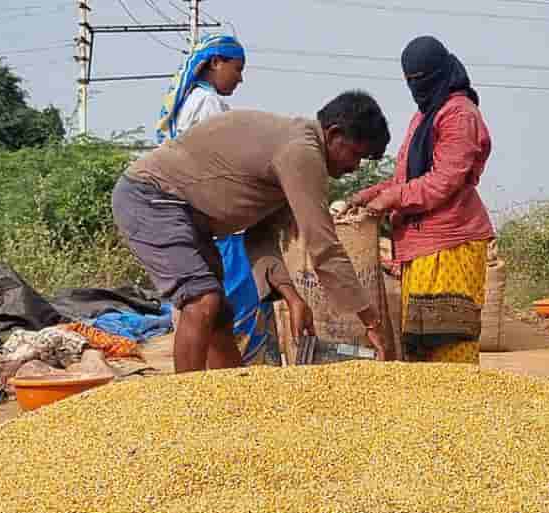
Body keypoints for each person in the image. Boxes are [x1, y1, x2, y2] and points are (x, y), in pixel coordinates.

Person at [113, 91, 392, 373]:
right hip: (152, 198)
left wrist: (293, 298)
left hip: (185, 213)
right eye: (355, 154)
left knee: (219, 315)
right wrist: (371, 321)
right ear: (333, 134)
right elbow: (324, 247)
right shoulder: (302, 152)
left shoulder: (293, 150)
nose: (354, 167)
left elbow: (259, 237)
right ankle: (185, 408)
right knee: (202, 301)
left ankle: (234, 403)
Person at [348, 36, 493, 364]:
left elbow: (444, 181)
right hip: (419, 249)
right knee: (421, 348)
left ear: (441, 71)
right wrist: (366, 196)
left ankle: (460, 411)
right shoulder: (424, 116)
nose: (416, 87)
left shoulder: (459, 114)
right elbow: (407, 180)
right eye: (409, 82)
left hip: (451, 245)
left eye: (421, 80)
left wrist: (389, 199)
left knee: (450, 347)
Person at [154, 34, 280, 367]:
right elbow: (226, 164)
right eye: (237, 68)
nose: (240, 77)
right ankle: (241, 375)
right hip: (219, 221)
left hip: (194, 217)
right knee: (239, 301)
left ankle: (212, 381)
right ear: (215, 63)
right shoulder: (209, 105)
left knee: (204, 307)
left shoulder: (190, 103)